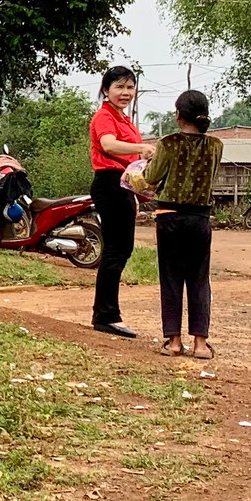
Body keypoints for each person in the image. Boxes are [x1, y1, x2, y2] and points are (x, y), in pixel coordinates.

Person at [141, 90, 223, 359]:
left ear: (178, 115)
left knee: (171, 277)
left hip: (169, 216)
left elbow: (152, 178)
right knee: (199, 279)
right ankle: (200, 343)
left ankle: (174, 341)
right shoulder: (215, 146)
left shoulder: (168, 143)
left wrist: (137, 173)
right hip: (200, 218)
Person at [89, 66, 156, 338]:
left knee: (122, 249)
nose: (125, 92)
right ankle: (106, 315)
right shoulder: (104, 117)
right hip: (109, 183)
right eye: (119, 87)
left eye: (130, 87)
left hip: (123, 185)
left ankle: (107, 312)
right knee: (117, 250)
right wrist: (141, 148)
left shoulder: (124, 119)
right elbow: (109, 145)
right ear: (106, 90)